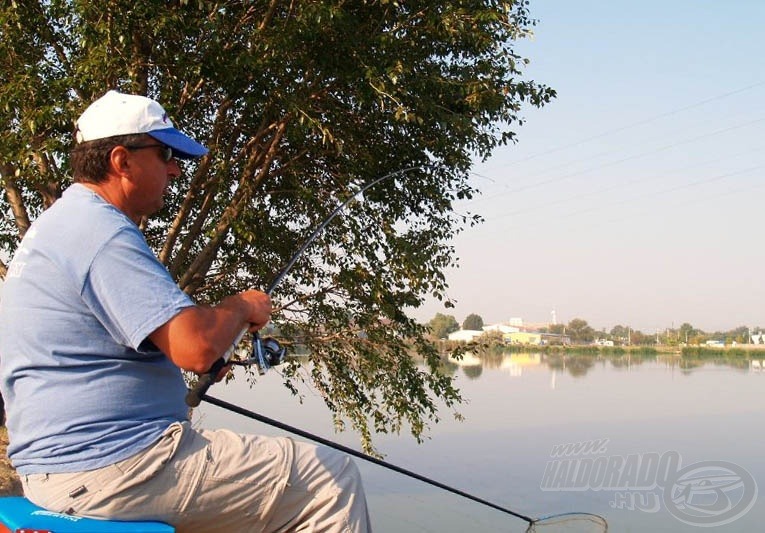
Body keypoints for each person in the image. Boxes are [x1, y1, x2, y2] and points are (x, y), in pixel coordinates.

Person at [0, 90, 372, 532]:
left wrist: (201, 354)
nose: (176, 169)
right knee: (330, 480)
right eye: (166, 154)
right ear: (122, 160)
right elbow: (194, 346)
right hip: (116, 468)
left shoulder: (55, 227)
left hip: (61, 467)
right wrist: (242, 306)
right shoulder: (100, 233)